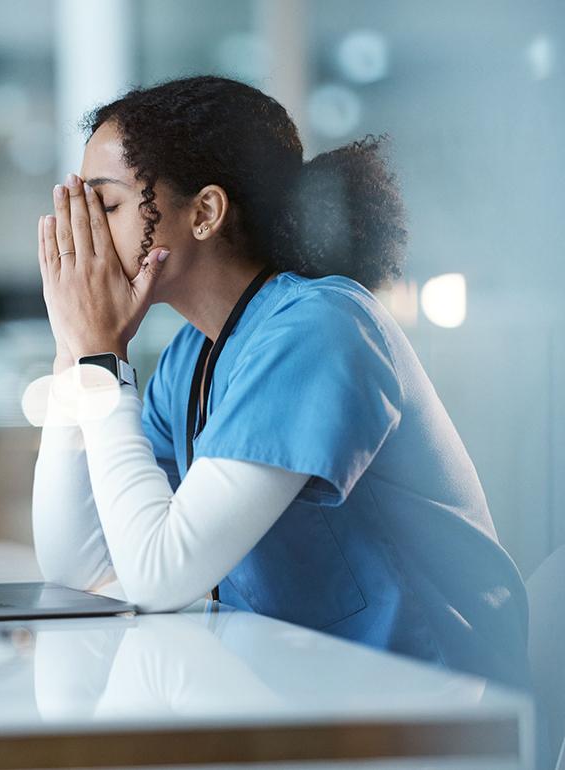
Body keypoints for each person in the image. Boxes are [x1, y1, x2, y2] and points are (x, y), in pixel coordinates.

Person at [31, 75, 531, 694]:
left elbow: (159, 575)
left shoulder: (321, 329)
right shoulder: (193, 355)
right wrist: (72, 347)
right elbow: (76, 565)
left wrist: (101, 359)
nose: (86, 236)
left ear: (205, 213)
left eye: (105, 207)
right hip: (302, 691)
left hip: (431, 713)